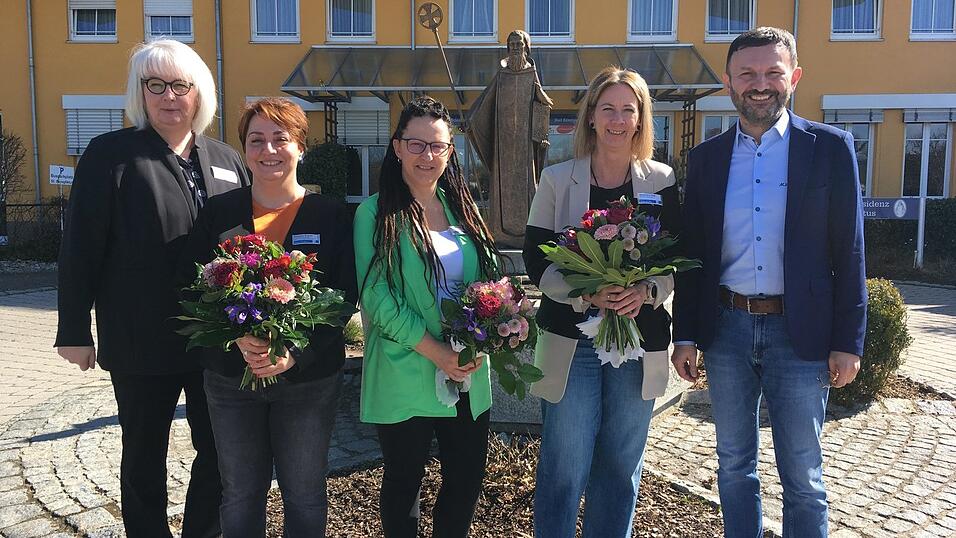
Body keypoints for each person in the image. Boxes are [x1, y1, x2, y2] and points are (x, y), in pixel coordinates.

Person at [671, 27, 867, 538]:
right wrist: (686, 335)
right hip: (727, 331)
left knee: (803, 475)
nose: (761, 84)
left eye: (773, 72)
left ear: (794, 77)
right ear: (729, 83)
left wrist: (848, 340)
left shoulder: (830, 149)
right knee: (734, 465)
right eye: (748, 74)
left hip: (800, 335)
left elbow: (849, 251)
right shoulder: (707, 158)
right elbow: (694, 255)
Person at [55, 39, 250, 537]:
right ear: (139, 93)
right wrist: (74, 329)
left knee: (220, 452)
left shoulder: (226, 157)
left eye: (179, 85)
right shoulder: (110, 155)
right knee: (143, 454)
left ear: (198, 92)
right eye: (155, 85)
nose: (169, 96)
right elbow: (80, 247)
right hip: (140, 337)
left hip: (216, 340)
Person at [179, 97, 357, 537]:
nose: (268, 150)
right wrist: (235, 336)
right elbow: (195, 287)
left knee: (305, 494)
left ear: (301, 147)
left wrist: (294, 354)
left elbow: (343, 298)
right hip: (229, 381)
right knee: (239, 494)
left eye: (281, 139)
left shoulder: (332, 216)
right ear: (245, 150)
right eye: (256, 140)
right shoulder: (219, 213)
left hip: (308, 385)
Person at [523, 66, 679, 538]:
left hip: (639, 342)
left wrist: (646, 291)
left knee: (620, 467)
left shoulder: (661, 179)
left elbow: (674, 259)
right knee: (564, 465)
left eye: (627, 110)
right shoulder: (555, 179)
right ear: (591, 117)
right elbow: (536, 258)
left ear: (640, 120)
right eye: (606, 108)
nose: (616, 119)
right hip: (572, 341)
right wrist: (584, 291)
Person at [354, 96, 501, 538]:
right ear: (397, 147)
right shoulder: (374, 213)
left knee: (466, 479)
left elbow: (487, 279)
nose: (427, 156)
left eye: (437, 146)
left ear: (450, 151)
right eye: (416, 145)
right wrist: (436, 352)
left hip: (467, 371)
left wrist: (505, 312)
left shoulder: (464, 209)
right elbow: (376, 298)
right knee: (404, 485)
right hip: (405, 369)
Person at [467, 29, 553, 248]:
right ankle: (501, 234)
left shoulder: (531, 74)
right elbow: (486, 102)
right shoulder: (502, 75)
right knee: (502, 189)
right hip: (502, 145)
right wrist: (472, 120)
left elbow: (542, 104)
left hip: (524, 146)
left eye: (519, 44)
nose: (516, 48)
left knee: (526, 186)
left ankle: (527, 234)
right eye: (512, 44)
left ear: (526, 47)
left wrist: (541, 134)